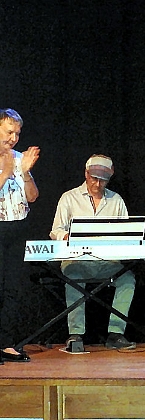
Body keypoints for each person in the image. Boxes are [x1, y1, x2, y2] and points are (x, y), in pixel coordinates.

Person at [50, 154, 137, 351]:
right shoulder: (69, 197)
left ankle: (115, 333)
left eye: (103, 179)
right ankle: (76, 334)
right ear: (86, 174)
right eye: (94, 178)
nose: (97, 184)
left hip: (107, 262)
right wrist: (67, 238)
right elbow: (56, 230)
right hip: (76, 260)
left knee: (127, 279)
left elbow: (127, 232)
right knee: (73, 275)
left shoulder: (116, 200)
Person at [0, 108, 39, 363]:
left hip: (16, 228)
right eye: (9, 131)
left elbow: (33, 196)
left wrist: (24, 172)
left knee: (14, 288)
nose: (14, 138)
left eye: (17, 133)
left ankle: (5, 343)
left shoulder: (18, 158)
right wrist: (4, 172)